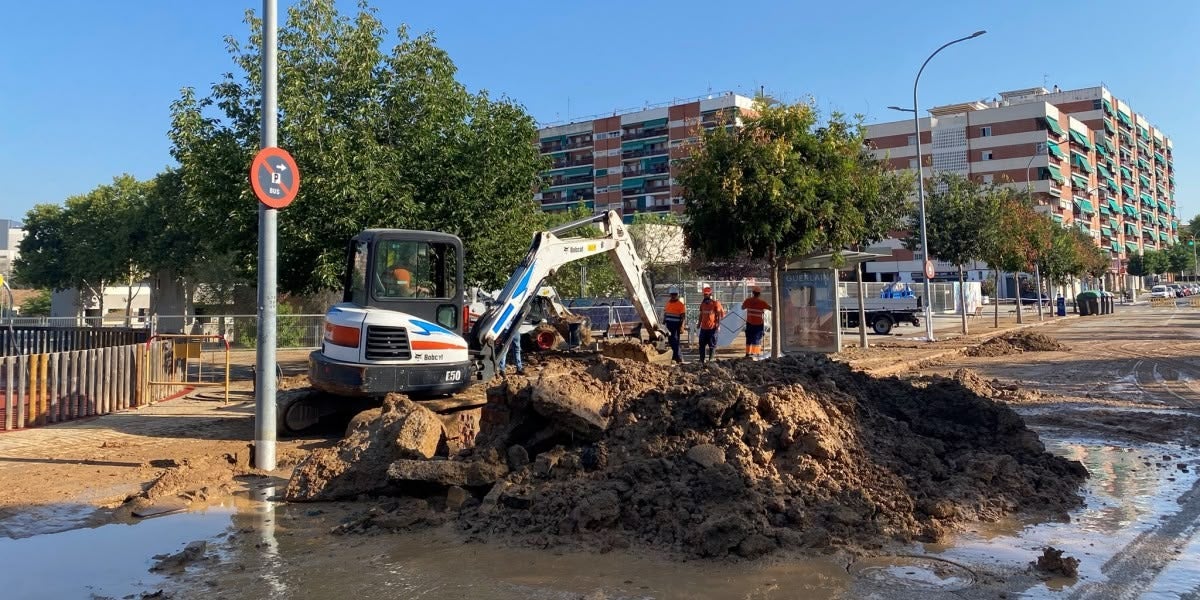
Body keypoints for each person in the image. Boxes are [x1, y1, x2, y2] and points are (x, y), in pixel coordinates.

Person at [697, 285, 725, 364]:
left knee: (712, 345)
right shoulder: (702, 304)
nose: (705, 296)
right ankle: (702, 360)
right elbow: (701, 314)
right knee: (701, 345)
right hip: (704, 328)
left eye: (707, 294)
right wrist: (699, 323)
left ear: (710, 295)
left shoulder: (715, 304)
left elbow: (720, 315)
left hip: (712, 328)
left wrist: (718, 325)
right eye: (704, 294)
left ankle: (711, 360)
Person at [741, 286, 771, 360]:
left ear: (753, 293)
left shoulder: (748, 301)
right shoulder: (762, 303)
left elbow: (742, 307)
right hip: (758, 324)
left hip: (750, 323)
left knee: (749, 338)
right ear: (759, 294)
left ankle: (748, 354)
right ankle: (756, 354)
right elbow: (770, 308)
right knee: (757, 339)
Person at [663, 286, 687, 363]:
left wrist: (682, 326)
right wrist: (663, 324)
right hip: (669, 325)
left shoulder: (680, 305)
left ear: (677, 295)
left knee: (675, 341)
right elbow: (665, 314)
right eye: (672, 294)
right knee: (671, 341)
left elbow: (683, 316)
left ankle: (679, 358)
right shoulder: (668, 304)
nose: (673, 296)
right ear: (670, 295)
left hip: (676, 325)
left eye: (675, 294)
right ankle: (674, 357)